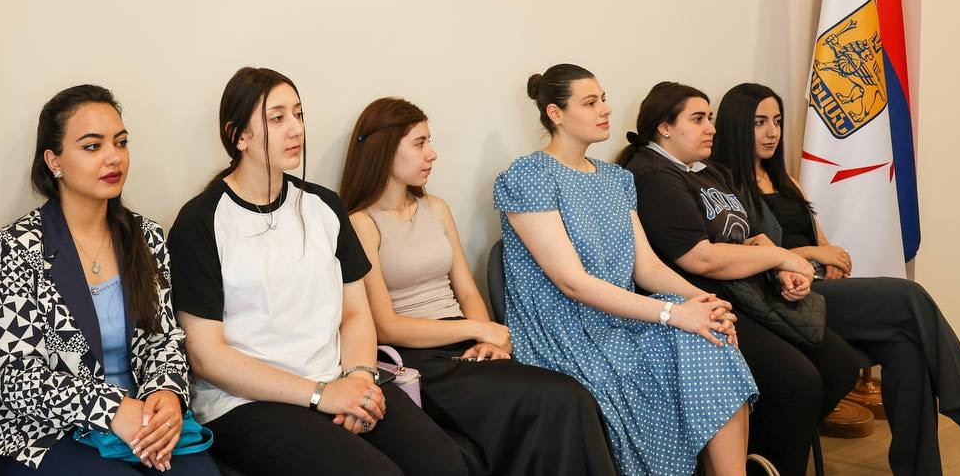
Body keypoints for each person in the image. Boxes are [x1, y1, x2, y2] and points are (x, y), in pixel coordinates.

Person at [169, 67, 466, 476]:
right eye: (277, 118)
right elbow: (207, 357)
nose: (296, 129)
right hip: (247, 402)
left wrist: (360, 380)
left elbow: (355, 313)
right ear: (238, 136)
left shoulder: (324, 206)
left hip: (339, 379)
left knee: (445, 463)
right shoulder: (200, 222)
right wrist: (321, 395)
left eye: (298, 114)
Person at [496, 64, 757, 476]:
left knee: (712, 334)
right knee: (686, 338)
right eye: (590, 102)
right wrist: (673, 313)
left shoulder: (615, 178)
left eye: (603, 99)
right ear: (555, 113)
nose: (605, 109)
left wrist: (705, 303)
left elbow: (647, 267)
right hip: (566, 329)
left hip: (620, 315)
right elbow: (572, 283)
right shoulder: (530, 175)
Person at [339, 97, 617, 476]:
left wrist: (488, 340)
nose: (432, 153)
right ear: (384, 150)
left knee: (570, 396)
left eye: (429, 141)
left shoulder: (435, 208)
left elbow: (467, 290)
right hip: (417, 358)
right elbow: (386, 325)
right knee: (553, 398)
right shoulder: (361, 223)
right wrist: (478, 329)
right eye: (419, 143)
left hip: (465, 344)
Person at [713, 82, 960, 476]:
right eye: (759, 123)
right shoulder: (726, 189)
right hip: (784, 299)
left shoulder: (785, 181)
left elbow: (823, 242)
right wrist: (814, 255)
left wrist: (832, 256)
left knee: (907, 348)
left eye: (777, 121)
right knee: (909, 295)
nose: (772, 133)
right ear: (736, 126)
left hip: (822, 291)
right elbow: (749, 259)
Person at [0, 85, 218, 475]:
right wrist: (112, 409)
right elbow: (18, 378)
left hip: (142, 417)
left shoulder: (146, 237)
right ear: (54, 161)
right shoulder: (13, 247)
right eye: (92, 146)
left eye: (121, 142)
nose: (113, 157)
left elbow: (164, 339)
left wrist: (167, 393)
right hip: (47, 432)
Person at [621, 80, 860, 476]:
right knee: (798, 383)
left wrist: (778, 265)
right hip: (704, 300)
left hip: (749, 290)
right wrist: (779, 256)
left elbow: (745, 236)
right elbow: (701, 258)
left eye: (710, 118)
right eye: (698, 119)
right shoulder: (652, 174)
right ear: (664, 127)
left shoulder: (708, 171)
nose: (711, 128)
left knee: (840, 365)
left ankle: (761, 453)